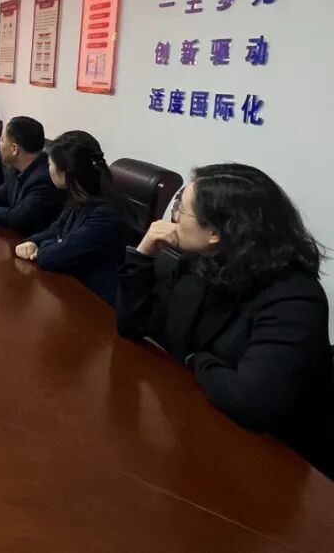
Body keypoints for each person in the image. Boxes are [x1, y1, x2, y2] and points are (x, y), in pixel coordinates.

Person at [117, 164, 333, 478]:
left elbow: (250, 402)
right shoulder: (201, 264)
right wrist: (142, 255)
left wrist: (196, 359)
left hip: (266, 465)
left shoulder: (294, 298)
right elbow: (133, 325)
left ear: (216, 233)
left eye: (182, 210)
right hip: (196, 427)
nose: (173, 217)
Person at [14, 131, 130, 305]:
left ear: (64, 173)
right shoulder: (80, 198)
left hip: (96, 304)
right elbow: (55, 230)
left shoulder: (107, 215)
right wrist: (32, 242)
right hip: (70, 290)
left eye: (50, 164)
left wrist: (42, 248)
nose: (48, 169)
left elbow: (53, 257)